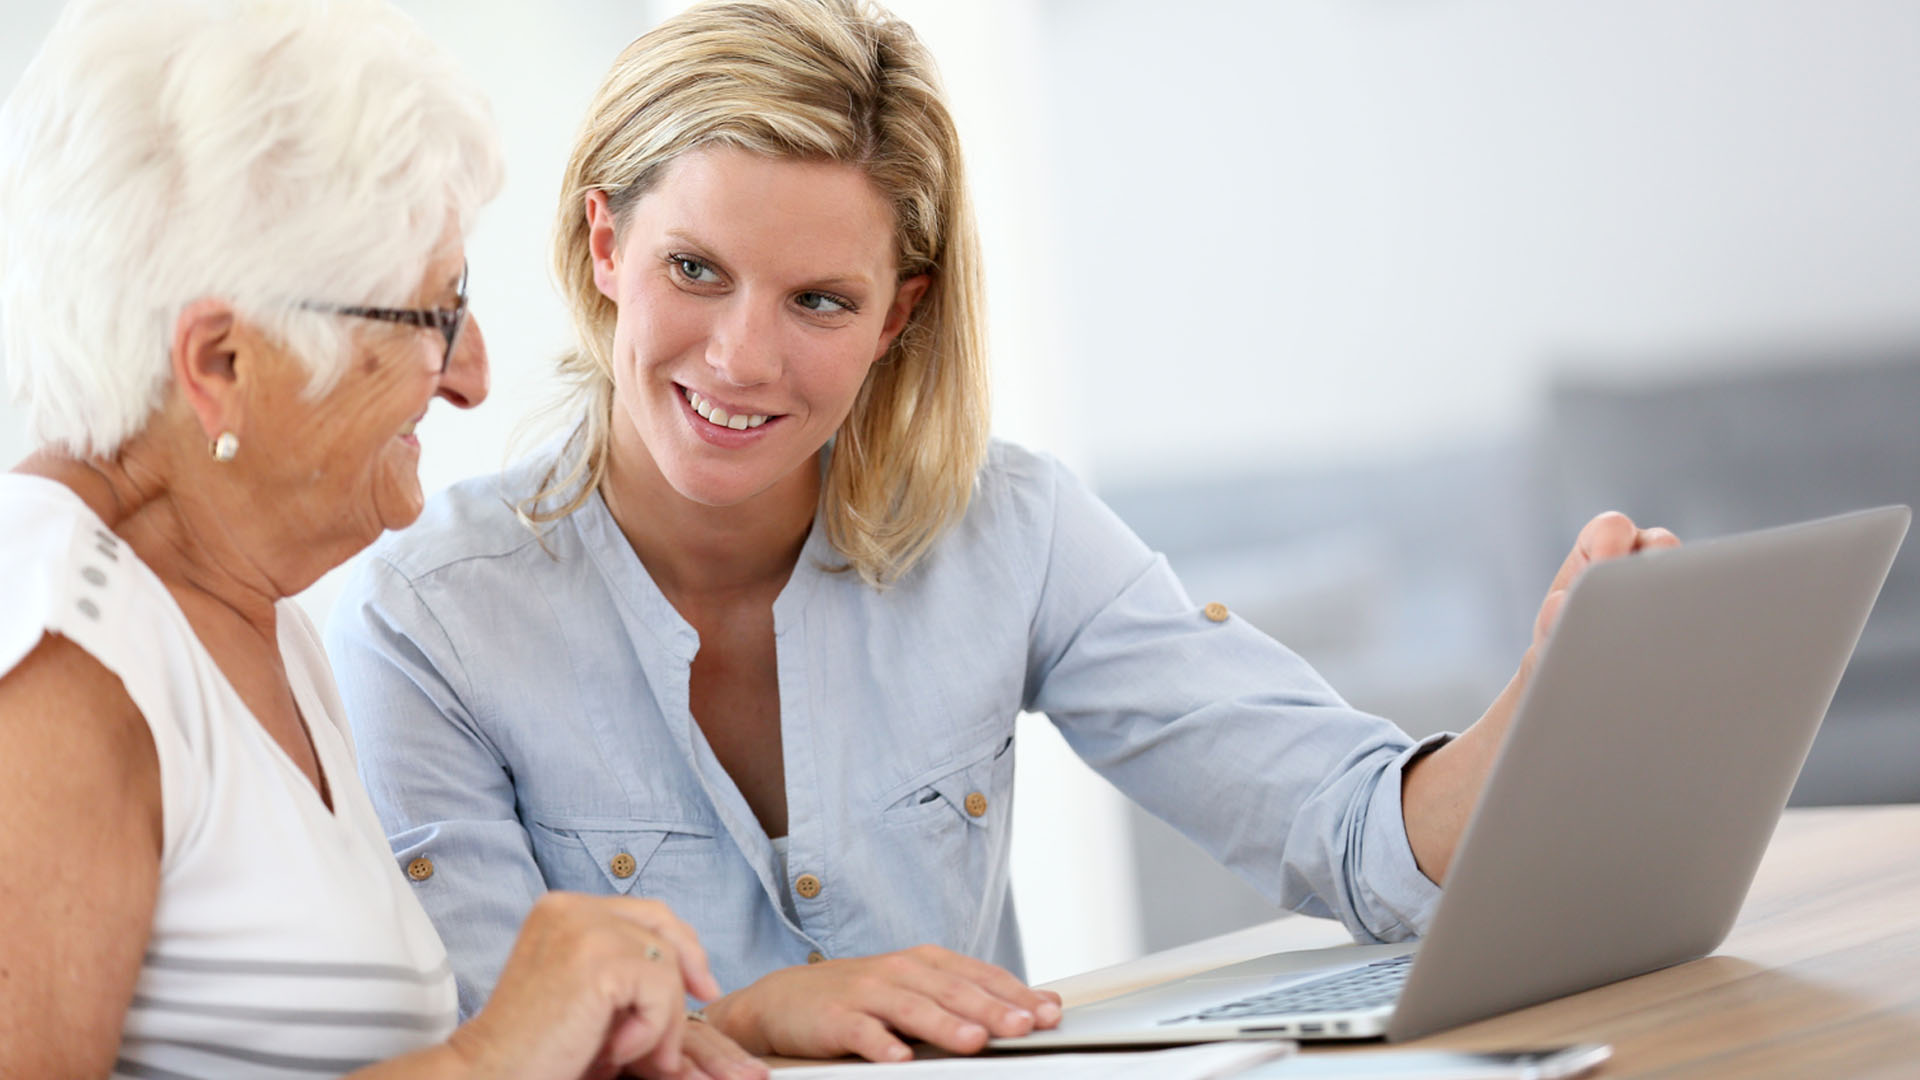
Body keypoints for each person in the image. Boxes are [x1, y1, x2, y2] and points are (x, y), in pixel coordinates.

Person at [326, 0, 1679, 1065]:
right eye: (696, 270)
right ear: (606, 246)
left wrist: (1545, 709)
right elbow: (492, 1059)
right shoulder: (429, 626)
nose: (741, 358)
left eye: (818, 301)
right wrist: (747, 1024)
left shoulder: (1007, 532)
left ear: (897, 315)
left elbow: (1347, 830)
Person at [0, 2, 767, 1078]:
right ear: (222, 362)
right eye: (431, 318)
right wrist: (487, 1058)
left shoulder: (255, 624)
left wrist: (669, 1032)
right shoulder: (60, 662)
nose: (472, 375)